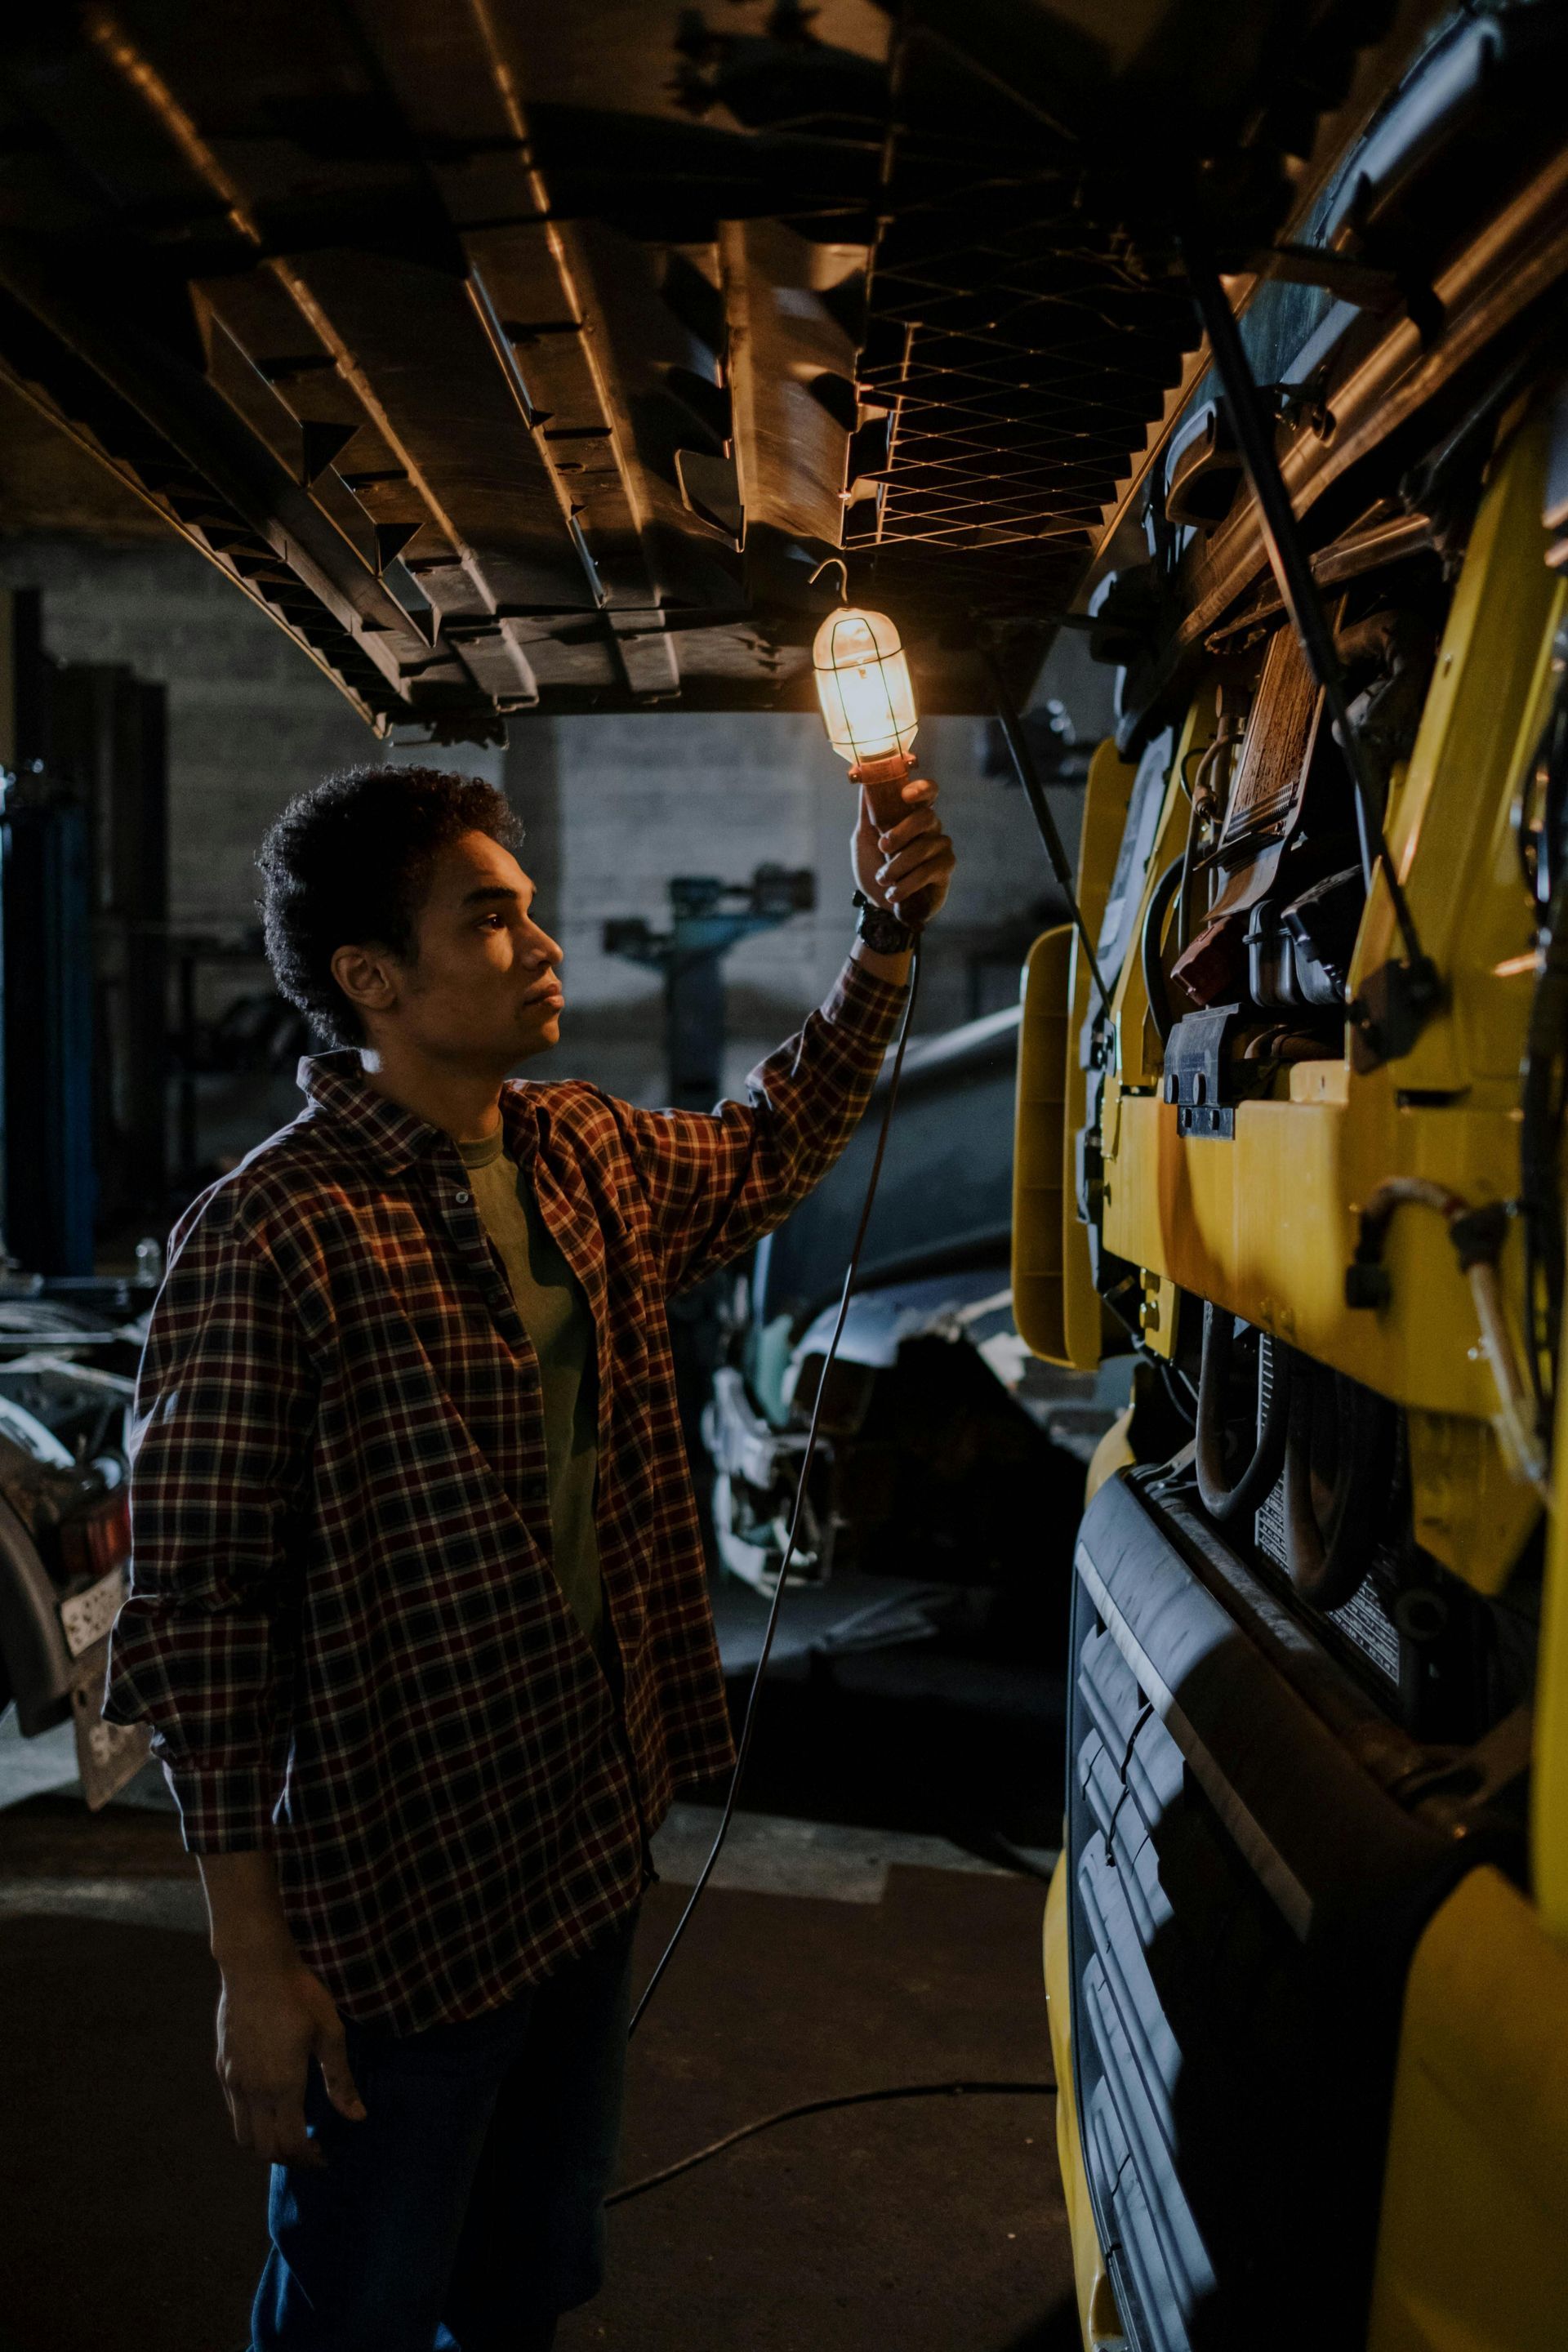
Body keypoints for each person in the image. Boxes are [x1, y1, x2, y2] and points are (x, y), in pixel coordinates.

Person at [105, 756, 956, 2352]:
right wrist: (251, 1965)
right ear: (372, 980)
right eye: (491, 922)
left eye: (533, 909)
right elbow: (201, 1616)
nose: (543, 942)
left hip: (581, 1840)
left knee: (524, 2284)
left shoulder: (578, 1154)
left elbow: (774, 1145)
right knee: (356, 2305)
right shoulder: (268, 1235)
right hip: (400, 1906)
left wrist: (886, 938)